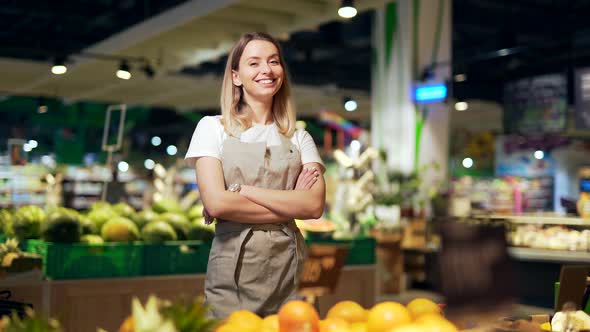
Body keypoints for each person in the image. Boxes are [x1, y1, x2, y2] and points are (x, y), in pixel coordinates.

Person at [184, 32, 326, 318]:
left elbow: (313, 207)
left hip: (291, 268)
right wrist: (290, 203)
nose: (267, 70)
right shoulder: (212, 128)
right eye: (254, 63)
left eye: (274, 61)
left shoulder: (300, 137)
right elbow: (218, 205)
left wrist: (242, 191)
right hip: (232, 270)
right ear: (236, 76)